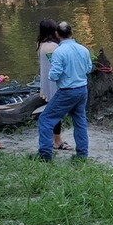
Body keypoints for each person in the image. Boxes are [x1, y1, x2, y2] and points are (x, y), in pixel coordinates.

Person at [36, 22, 90, 162]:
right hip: (82, 89)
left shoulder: (59, 52)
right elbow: (89, 68)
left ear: (57, 34)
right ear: (71, 33)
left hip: (67, 91)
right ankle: (82, 155)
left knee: (45, 119)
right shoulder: (83, 49)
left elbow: (54, 75)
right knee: (80, 122)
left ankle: (45, 155)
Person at [36, 19, 70, 151]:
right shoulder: (54, 47)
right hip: (54, 83)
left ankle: (55, 138)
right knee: (57, 112)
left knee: (52, 110)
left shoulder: (40, 44)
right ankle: (57, 140)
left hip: (46, 81)